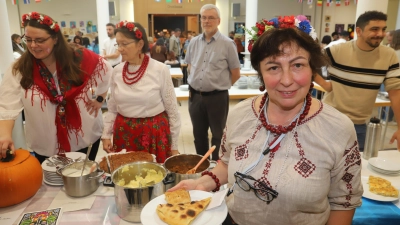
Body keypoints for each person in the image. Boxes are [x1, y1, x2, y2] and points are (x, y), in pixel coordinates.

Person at [169, 15, 363, 225]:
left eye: (297, 65)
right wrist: (204, 183)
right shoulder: (239, 114)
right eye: (273, 67)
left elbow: (344, 202)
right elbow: (226, 164)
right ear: (260, 73)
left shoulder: (338, 128)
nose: (287, 80)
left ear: (312, 69)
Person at [0, 12, 112, 163]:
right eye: (28, 39)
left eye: (39, 40)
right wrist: (5, 134)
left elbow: (107, 73)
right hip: (45, 145)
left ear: (55, 39)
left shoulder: (80, 58)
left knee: (82, 183)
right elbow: (7, 106)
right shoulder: (20, 68)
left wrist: (100, 98)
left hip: (85, 139)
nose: (33, 45)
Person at [315, 11, 400, 151]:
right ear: (359, 31)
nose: (380, 33)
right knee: (322, 163)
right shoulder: (337, 51)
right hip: (329, 120)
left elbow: (395, 92)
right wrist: (324, 84)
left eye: (383, 29)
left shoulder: (388, 55)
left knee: (355, 168)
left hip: (359, 125)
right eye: (374, 29)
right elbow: (307, 62)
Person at [101, 21, 181, 163]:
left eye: (124, 44)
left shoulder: (159, 70)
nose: (120, 49)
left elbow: (173, 111)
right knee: (127, 178)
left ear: (140, 44)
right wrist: (106, 134)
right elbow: (112, 108)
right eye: (118, 44)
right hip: (124, 133)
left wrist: (174, 146)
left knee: (153, 178)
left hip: (152, 134)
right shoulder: (117, 71)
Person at [186, 4, 241, 160]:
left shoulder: (228, 44)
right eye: (204, 17)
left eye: (211, 18)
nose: (207, 21)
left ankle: (216, 167)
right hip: (195, 97)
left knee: (217, 134)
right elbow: (190, 66)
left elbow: (235, 73)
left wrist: (219, 86)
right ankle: (201, 164)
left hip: (218, 97)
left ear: (218, 20)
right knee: (198, 134)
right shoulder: (194, 42)